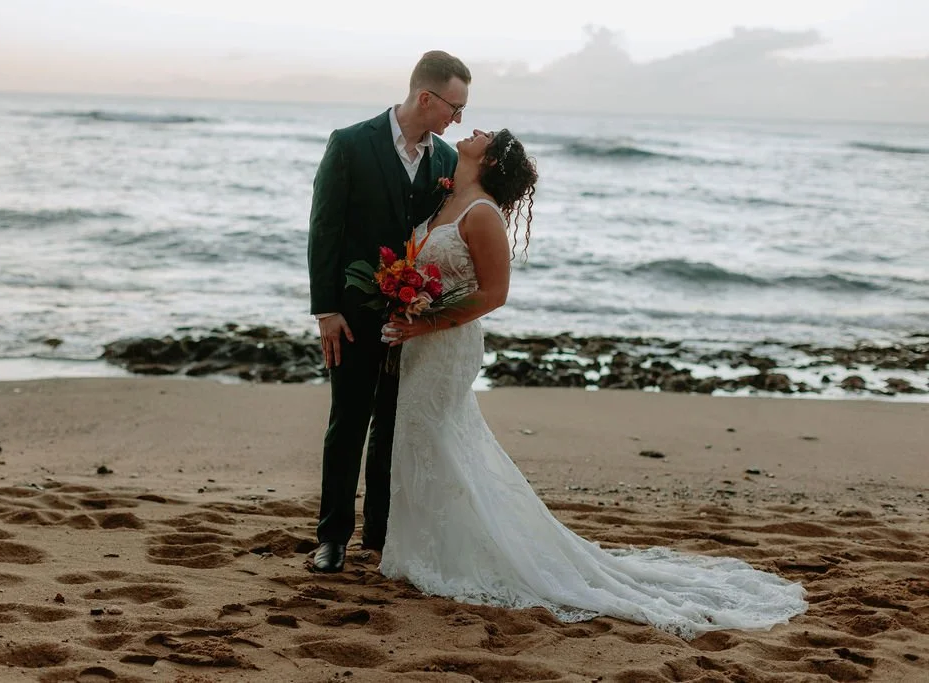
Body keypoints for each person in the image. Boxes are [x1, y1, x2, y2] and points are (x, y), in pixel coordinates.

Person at [379, 129, 808, 639]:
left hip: (446, 344)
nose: (472, 131)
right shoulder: (447, 195)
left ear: (490, 157)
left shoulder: (484, 213)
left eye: (484, 134)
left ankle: (457, 555)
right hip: (420, 341)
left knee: (440, 439)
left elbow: (494, 294)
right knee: (421, 438)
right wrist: (407, 301)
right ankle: (423, 545)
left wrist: (425, 321)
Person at [307, 50, 472, 573]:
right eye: (454, 106)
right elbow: (324, 229)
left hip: (412, 319)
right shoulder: (351, 144)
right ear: (426, 97)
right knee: (347, 422)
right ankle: (332, 537)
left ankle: (378, 537)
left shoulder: (446, 160)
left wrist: (429, 308)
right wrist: (326, 309)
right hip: (353, 314)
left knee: (394, 427)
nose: (457, 119)